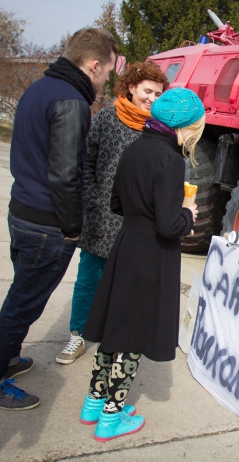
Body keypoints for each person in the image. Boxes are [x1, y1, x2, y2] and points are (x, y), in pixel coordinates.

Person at [0, 28, 118, 411]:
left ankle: (4, 359)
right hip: (47, 224)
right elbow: (66, 175)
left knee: (21, 293)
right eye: (105, 74)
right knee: (23, 303)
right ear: (94, 64)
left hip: (21, 210)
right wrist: (72, 229)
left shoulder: (40, 88)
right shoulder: (71, 102)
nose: (105, 82)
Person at [79, 88, 203, 441]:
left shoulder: (135, 146)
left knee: (114, 328)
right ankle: (112, 416)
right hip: (151, 254)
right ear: (187, 126)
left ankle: (93, 402)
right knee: (132, 336)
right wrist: (187, 214)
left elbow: (116, 202)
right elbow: (168, 225)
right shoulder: (170, 159)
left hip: (126, 245)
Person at [57, 61, 169, 365]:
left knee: (125, 285)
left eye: (159, 94)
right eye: (148, 91)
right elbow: (86, 163)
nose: (152, 98)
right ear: (131, 87)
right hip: (101, 217)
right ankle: (77, 335)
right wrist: (93, 202)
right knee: (88, 279)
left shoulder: (159, 130)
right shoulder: (107, 118)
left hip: (137, 223)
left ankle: (112, 337)